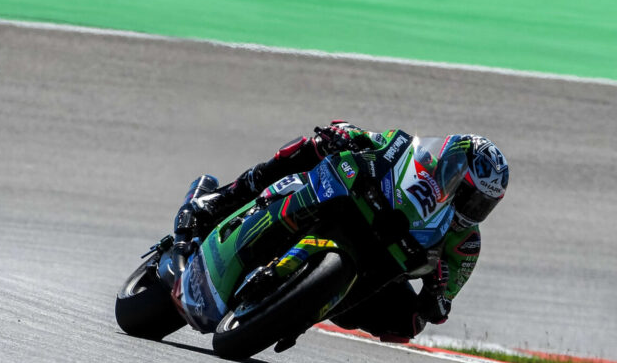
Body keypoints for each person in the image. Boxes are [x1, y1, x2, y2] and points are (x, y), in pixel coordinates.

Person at [179, 121, 509, 343]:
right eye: (470, 196)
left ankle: (303, 306)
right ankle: (225, 196)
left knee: (406, 324)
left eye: (483, 204)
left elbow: (444, 298)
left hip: (383, 261)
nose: (473, 209)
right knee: (316, 146)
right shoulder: (407, 151)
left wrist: (436, 300)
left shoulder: (465, 244)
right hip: (361, 202)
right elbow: (375, 143)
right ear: (451, 167)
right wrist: (346, 135)